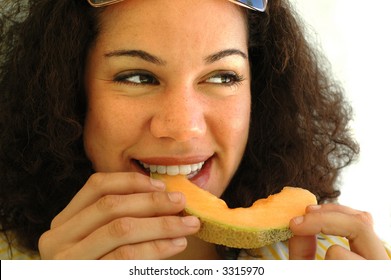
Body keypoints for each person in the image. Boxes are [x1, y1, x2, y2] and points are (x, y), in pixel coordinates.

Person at [0, 0, 389, 260]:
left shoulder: (347, 260)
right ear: (69, 92)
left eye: (222, 77)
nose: (183, 127)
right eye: (137, 77)